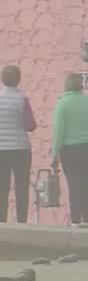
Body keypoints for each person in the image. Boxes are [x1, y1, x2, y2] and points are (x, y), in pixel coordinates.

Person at [51, 73, 88, 228]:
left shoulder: (62, 104)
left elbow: (58, 131)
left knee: (74, 184)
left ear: (66, 85)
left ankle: (75, 220)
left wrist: (55, 155)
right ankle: (87, 219)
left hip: (70, 149)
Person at [0, 65, 36, 223]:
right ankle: (22, 221)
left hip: (1, 150)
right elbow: (30, 125)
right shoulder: (22, 99)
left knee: (2, 187)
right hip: (21, 149)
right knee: (22, 186)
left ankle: (2, 220)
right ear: (18, 80)